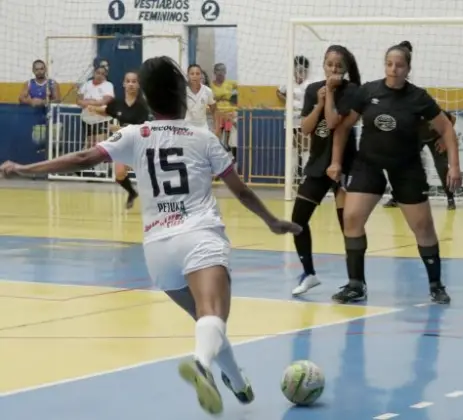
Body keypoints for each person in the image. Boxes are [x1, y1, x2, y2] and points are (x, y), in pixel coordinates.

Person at [0, 56, 302, 416]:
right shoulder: (204, 138)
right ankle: (202, 366)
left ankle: (238, 383)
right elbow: (243, 192)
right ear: (180, 94)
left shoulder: (135, 134)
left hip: (158, 251)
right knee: (213, 316)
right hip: (200, 236)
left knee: (207, 321)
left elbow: (83, 156)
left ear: (146, 97)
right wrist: (272, 221)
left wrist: (25, 168)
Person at [326, 42, 462, 304]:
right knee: (351, 218)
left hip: (406, 167)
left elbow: (446, 128)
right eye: (389, 64)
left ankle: (436, 285)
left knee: (422, 226)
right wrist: (336, 162)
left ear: (408, 69)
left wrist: (454, 166)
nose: (393, 69)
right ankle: (356, 284)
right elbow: (342, 128)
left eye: (399, 65)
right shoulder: (368, 92)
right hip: (369, 165)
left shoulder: (418, 97)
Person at [289, 45, 361, 296]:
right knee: (297, 220)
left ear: (345, 70)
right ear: (323, 65)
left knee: (347, 225)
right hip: (319, 165)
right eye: (329, 64)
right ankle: (309, 273)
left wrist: (329, 95)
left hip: (344, 165)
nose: (333, 69)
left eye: (338, 66)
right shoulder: (312, 89)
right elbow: (306, 128)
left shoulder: (352, 91)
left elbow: (333, 123)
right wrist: (319, 103)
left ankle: (356, 281)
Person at [88, 71, 150, 209]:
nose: (131, 84)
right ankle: (132, 192)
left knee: (148, 176)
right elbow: (107, 110)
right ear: (123, 84)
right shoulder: (118, 103)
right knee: (120, 174)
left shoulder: (142, 106)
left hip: (138, 145)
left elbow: (141, 128)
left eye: (134, 81)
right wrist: (94, 109)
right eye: (128, 81)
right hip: (123, 145)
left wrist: (118, 128)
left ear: (138, 85)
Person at [385, 109, 457, 210]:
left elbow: (452, 119)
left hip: (436, 138)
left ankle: (450, 198)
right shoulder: (404, 114)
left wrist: (443, 138)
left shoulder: (430, 109)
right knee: (403, 164)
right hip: (417, 139)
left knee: (441, 167)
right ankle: (397, 197)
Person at [277, 55, 311, 180]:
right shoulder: (288, 82)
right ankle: (290, 178)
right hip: (291, 119)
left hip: (304, 118)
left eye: (303, 71)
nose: (300, 73)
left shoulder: (309, 84)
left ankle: (305, 177)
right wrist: (288, 100)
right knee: (292, 148)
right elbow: (279, 92)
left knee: (306, 147)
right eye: (298, 70)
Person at [77, 66, 114, 148]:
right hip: (87, 119)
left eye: (103, 74)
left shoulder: (108, 85)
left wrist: (88, 102)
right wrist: (94, 102)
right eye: (98, 73)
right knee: (90, 144)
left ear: (106, 75)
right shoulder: (86, 84)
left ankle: (103, 161)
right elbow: (79, 101)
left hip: (102, 119)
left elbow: (105, 101)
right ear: (94, 73)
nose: (100, 75)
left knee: (101, 145)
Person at [186, 64, 216, 128]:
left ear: (201, 76)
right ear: (188, 76)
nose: (195, 76)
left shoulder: (208, 91)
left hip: (202, 128)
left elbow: (214, 110)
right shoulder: (183, 91)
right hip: (187, 129)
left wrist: (216, 128)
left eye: (197, 74)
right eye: (192, 74)